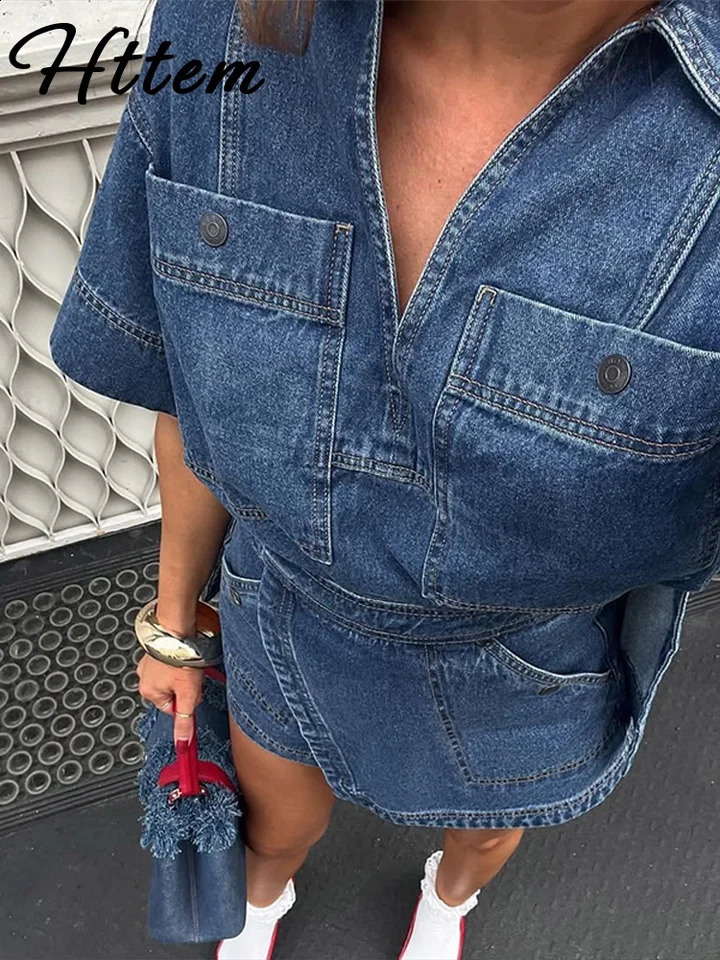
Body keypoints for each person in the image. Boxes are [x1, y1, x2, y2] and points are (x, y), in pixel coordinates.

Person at [50, 0, 720, 957]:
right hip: (282, 614)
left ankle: (449, 902)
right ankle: (264, 902)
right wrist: (172, 630)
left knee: (483, 837)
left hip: (522, 668)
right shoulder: (212, 36)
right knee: (271, 831)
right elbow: (184, 392)